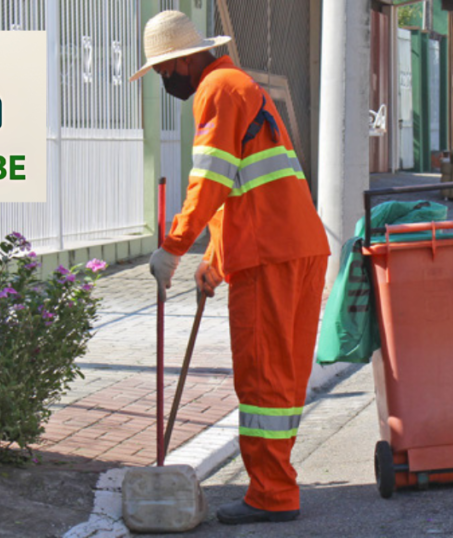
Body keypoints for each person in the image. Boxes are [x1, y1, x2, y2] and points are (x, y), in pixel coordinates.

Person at [130, 10, 330, 525]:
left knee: (263, 378)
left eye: (162, 70)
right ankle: (278, 482)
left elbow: (212, 180)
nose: (162, 79)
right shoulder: (241, 86)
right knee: (283, 378)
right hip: (297, 247)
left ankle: (271, 495)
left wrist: (173, 248)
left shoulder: (217, 89)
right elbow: (244, 191)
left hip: (269, 257)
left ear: (185, 61)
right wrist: (215, 263)